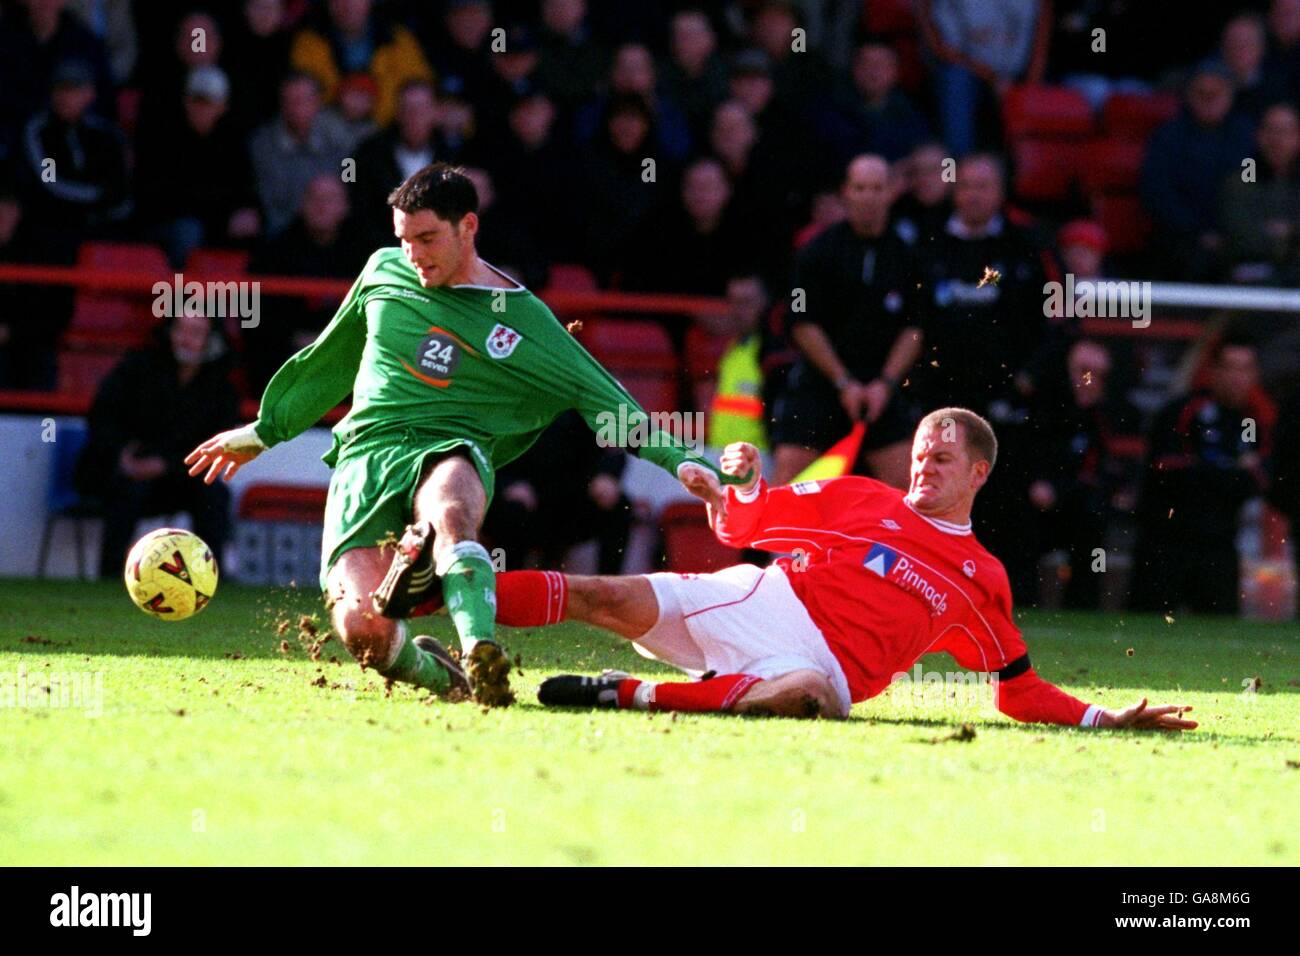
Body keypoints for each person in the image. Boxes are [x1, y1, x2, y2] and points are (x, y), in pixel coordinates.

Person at [184, 163, 742, 707]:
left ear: (468, 227)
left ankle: (480, 648)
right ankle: (447, 677)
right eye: (405, 240)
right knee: (363, 631)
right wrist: (263, 431)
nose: (415, 255)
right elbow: (329, 360)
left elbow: (603, 399)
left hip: (451, 447)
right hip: (365, 457)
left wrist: (680, 462)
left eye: (427, 239)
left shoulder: (522, 319)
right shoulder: (383, 271)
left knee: (451, 511)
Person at [494, 408, 1196, 731]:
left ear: (979, 472)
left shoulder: (983, 577)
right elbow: (747, 527)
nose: (923, 463)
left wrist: (1106, 717)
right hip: (761, 601)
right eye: (920, 451)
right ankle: (439, 597)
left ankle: (626, 695)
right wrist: (735, 489)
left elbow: (1017, 691)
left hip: (824, 670)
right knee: (593, 595)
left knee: (807, 698)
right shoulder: (861, 497)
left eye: (942, 457)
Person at [770, 155, 924, 490]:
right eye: (860, 188)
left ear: (890, 193)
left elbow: (915, 328)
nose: (868, 197)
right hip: (821, 383)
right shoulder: (814, 252)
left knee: (910, 490)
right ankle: (763, 546)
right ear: (845, 193)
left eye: (876, 188)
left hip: (882, 386)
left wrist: (884, 384)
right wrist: (843, 382)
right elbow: (802, 323)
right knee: (786, 483)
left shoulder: (908, 255)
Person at [78, 310, 239, 579]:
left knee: (215, 495)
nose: (186, 340)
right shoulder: (136, 368)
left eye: (197, 333)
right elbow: (102, 416)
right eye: (181, 330)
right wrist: (122, 456)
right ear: (169, 332)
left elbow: (215, 441)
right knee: (125, 491)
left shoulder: (221, 388)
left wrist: (166, 464)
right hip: (123, 472)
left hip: (180, 475)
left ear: (212, 341)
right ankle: (108, 580)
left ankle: (212, 578)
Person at [1131, 334, 1273, 616]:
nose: (1237, 377)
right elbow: (1166, 472)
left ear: (1255, 374)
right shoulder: (1183, 411)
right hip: (1166, 543)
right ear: (1214, 371)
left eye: (1245, 369)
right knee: (1145, 629)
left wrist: (1207, 469)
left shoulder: (1255, 421)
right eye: (1230, 367)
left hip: (1218, 547)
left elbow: (1258, 482)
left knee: (1220, 635)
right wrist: (1228, 471)